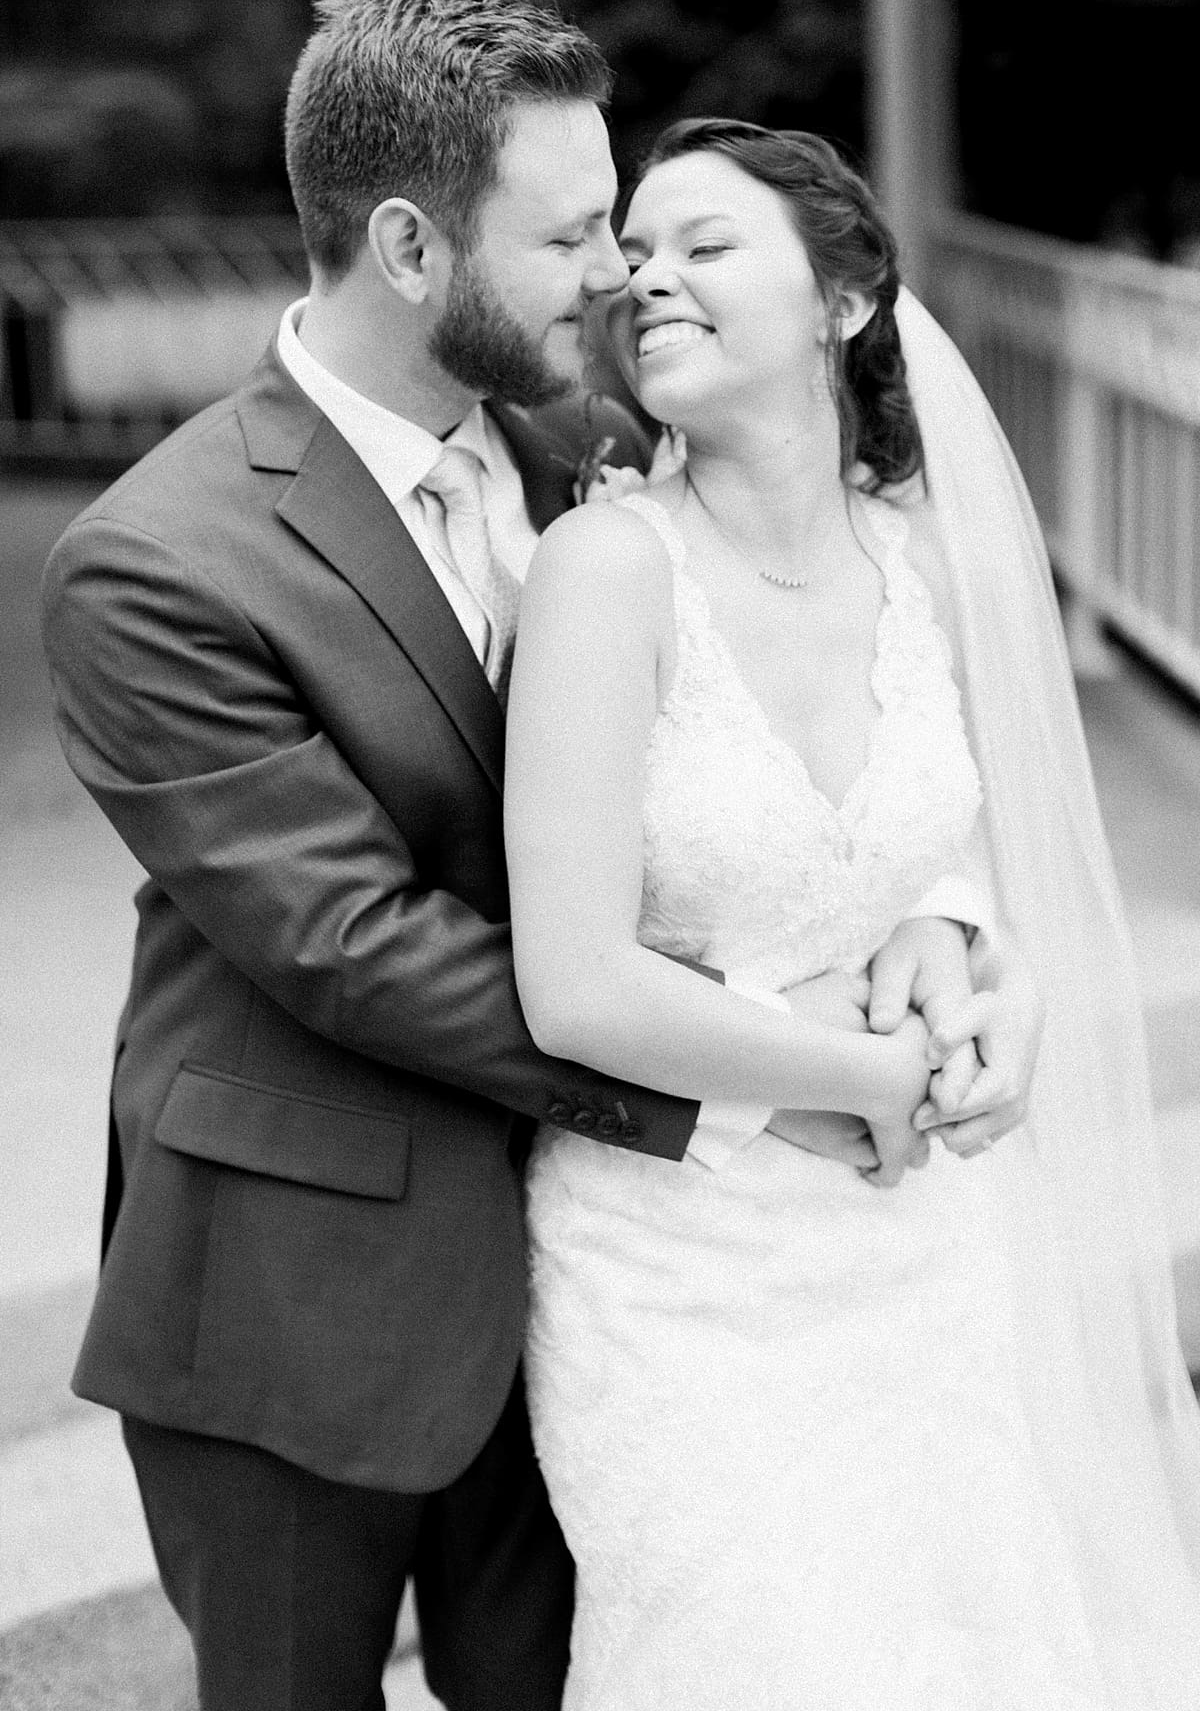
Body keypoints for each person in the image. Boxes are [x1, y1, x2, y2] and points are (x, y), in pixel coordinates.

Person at [40, 0, 1041, 1711]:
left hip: (610, 1290)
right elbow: (355, 942)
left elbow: (814, 713)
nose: (618, 275)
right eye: (575, 232)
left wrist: (930, 916)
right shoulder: (159, 565)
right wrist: (763, 1075)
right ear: (415, 248)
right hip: (307, 1284)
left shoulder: (602, 449)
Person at [504, 119, 1200, 1709]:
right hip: (683, 1272)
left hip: (927, 1248)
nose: (647, 277)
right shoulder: (606, 572)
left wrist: (991, 984)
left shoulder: (932, 570)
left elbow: (965, 868)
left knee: (975, 1640)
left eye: (705, 243)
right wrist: (886, 1082)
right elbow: (572, 983)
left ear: (844, 296)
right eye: (636, 252)